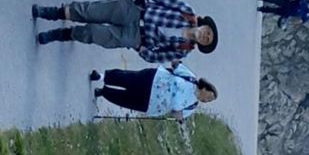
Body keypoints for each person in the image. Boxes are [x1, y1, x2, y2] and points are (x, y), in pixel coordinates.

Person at [32, 0, 217, 59]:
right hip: (136, 12)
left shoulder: (183, 50)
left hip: (136, 37)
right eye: (207, 32)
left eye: (206, 40)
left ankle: (60, 34)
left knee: (94, 34)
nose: (204, 36)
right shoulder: (187, 12)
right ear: (205, 25)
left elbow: (157, 57)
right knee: (91, 11)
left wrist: (141, 49)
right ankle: (52, 12)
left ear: (202, 45)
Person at [88, 65, 216, 117]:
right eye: (209, 97)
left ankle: (104, 92)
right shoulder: (191, 78)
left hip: (152, 104)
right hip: (153, 80)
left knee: (125, 100)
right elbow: (176, 66)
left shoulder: (192, 106)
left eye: (209, 100)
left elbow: (177, 115)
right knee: (127, 78)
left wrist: (178, 117)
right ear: (205, 88)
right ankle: (101, 77)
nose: (207, 100)